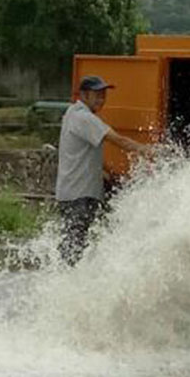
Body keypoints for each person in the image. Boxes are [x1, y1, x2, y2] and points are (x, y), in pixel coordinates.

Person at [56, 75, 150, 266]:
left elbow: (86, 154)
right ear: (83, 95)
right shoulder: (84, 118)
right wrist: (147, 150)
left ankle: (72, 279)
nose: (101, 99)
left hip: (74, 192)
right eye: (96, 95)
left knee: (76, 243)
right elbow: (118, 140)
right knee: (75, 246)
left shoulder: (72, 113)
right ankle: (67, 283)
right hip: (79, 194)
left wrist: (109, 172)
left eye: (103, 95)